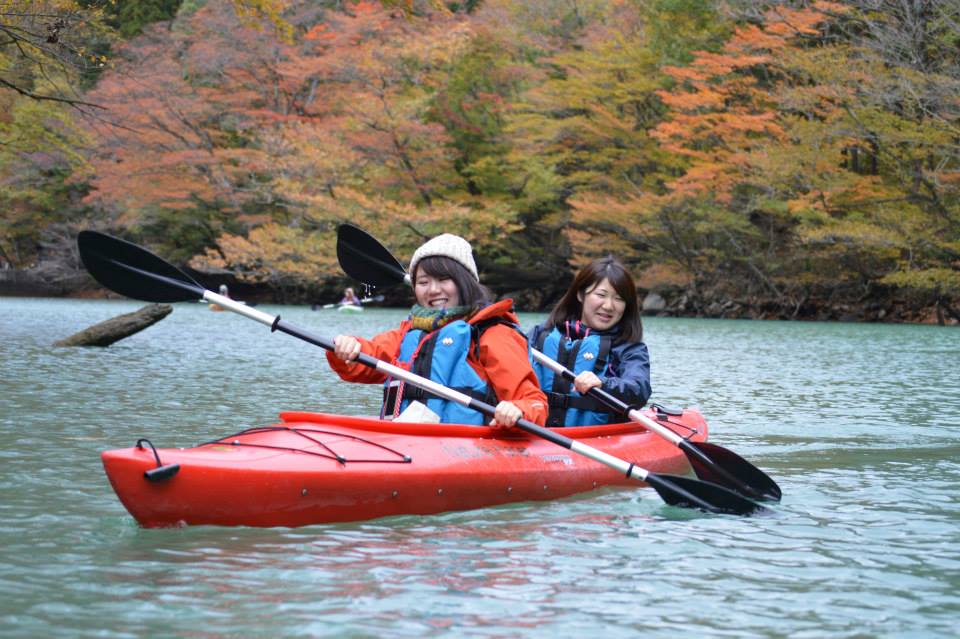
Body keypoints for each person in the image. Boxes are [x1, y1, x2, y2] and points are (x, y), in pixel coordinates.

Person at [327, 234, 547, 428]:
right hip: (407, 441)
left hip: (468, 448)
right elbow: (365, 360)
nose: (433, 290)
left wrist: (518, 410)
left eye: (443, 279)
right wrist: (347, 347)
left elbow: (532, 401)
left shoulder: (493, 334)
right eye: (423, 282)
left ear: (465, 282)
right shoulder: (411, 333)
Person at [528, 256, 651, 427]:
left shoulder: (628, 348)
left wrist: (604, 384)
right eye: (601, 295)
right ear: (580, 294)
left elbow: (639, 389)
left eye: (619, 298)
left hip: (596, 439)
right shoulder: (540, 335)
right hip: (534, 434)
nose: (609, 306)